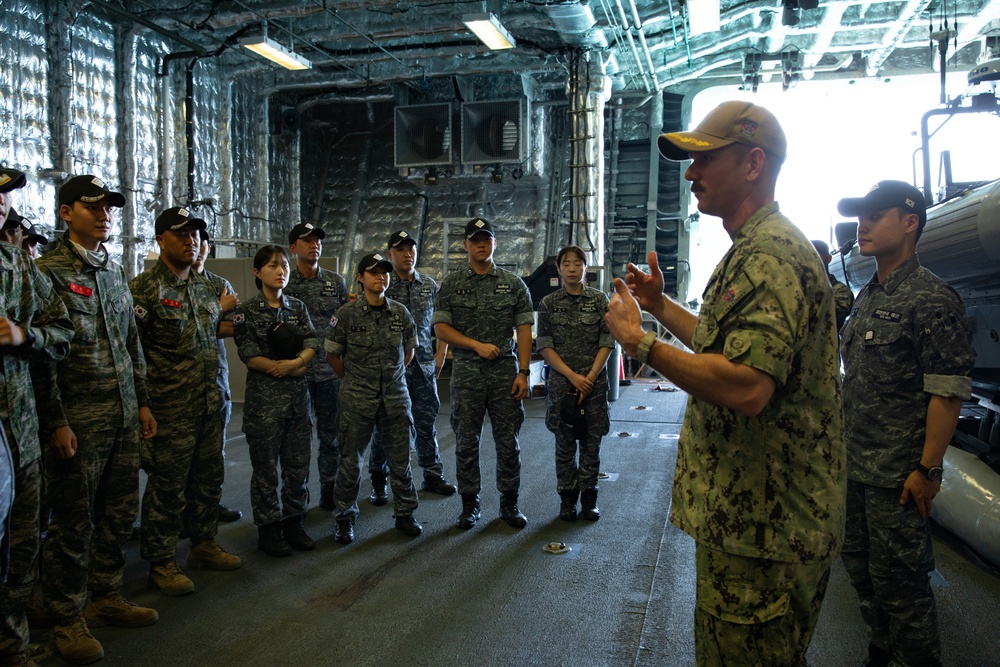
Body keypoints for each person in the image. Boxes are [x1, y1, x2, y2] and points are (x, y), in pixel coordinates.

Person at [604, 101, 846, 666]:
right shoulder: (761, 247)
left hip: (764, 532)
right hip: (760, 525)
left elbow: (745, 387)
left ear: (753, 164)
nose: (691, 173)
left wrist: (640, 343)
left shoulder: (768, 255)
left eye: (706, 159)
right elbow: (729, 347)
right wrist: (660, 306)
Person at [836, 180, 976, 667]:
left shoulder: (931, 298)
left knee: (904, 591)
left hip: (898, 478)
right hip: (856, 469)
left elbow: (947, 392)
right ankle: (880, 653)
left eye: (876, 215)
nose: (863, 225)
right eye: (861, 216)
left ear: (910, 222)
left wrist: (928, 469)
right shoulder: (867, 296)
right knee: (861, 574)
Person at [34, 175, 159, 664]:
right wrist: (55, 421)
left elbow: (130, 344)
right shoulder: (47, 272)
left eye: (109, 207)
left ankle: (106, 595)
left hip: (122, 414)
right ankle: (67, 617)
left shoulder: (113, 270)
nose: (105, 214)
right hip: (78, 421)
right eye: (93, 206)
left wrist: (142, 402)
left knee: (117, 512)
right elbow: (42, 359)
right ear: (66, 213)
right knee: (72, 522)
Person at [130, 207, 241, 597]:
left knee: (209, 479)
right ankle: (161, 562)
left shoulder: (209, 286)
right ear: (161, 240)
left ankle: (203, 544)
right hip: (169, 407)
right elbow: (132, 352)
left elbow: (225, 328)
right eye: (181, 234)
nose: (191, 240)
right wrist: (142, 405)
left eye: (195, 234)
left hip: (210, 402)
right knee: (168, 487)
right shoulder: (144, 290)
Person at [0, 167, 76, 667]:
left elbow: (61, 329)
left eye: (3, 193)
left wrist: (26, 336)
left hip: (20, 436)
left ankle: (13, 646)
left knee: (21, 550)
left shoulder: (18, 266)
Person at [433, 218, 534, 530]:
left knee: (508, 442)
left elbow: (524, 329)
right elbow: (441, 329)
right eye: (475, 240)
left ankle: (509, 503)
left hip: (505, 372)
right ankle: (469, 504)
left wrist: (524, 373)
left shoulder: (513, 284)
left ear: (494, 243)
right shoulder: (451, 284)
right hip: (467, 374)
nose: (481, 244)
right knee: (466, 442)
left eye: (486, 239)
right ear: (465, 245)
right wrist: (475, 345)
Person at [325, 253, 421, 545]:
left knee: (401, 461)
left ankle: (405, 513)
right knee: (350, 463)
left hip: (395, 397)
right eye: (374, 272)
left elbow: (408, 351)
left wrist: (392, 377)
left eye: (385, 272)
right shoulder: (345, 315)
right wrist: (356, 381)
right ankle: (344, 518)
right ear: (360, 278)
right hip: (357, 399)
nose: (381, 277)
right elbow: (333, 356)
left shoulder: (400, 313)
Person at [234, 245, 319, 557]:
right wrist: (282, 367)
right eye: (272, 266)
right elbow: (248, 353)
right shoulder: (246, 311)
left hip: (297, 402)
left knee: (297, 468)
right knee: (266, 470)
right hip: (264, 405)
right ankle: (269, 529)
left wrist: (295, 363)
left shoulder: (297, 306)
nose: (281, 270)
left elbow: (312, 341)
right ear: (258, 272)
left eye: (284, 265)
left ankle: (294, 522)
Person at [367, 230, 455, 505]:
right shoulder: (383, 285)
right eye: (400, 250)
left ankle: (432, 474)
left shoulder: (429, 285)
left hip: (424, 365)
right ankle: (378, 480)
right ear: (390, 254)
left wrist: (441, 354)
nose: (407, 254)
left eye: (411, 249)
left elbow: (441, 320)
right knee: (386, 425)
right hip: (391, 368)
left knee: (426, 421)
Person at [536, 245, 613, 522]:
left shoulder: (600, 300)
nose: (572, 268)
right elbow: (545, 346)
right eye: (566, 263)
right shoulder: (548, 304)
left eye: (577, 263)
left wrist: (589, 377)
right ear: (558, 269)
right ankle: (567, 500)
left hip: (594, 386)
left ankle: (589, 499)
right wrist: (573, 376)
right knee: (564, 445)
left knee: (591, 444)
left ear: (585, 267)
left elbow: (607, 342)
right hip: (562, 385)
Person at [284, 222, 349, 511]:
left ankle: (329, 488)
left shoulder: (335, 282)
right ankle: (296, 497)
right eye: (307, 241)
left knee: (331, 436)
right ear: (293, 248)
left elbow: (346, 325)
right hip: (296, 373)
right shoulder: (286, 283)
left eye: (317, 241)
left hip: (329, 372)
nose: (314, 245)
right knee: (297, 439)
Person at [192, 230, 242, 523]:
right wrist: (217, 311)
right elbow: (170, 330)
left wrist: (197, 322)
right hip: (175, 385)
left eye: (203, 242)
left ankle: (211, 504)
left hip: (215, 381)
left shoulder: (219, 285)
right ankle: (183, 512)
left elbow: (233, 327)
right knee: (179, 456)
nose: (197, 247)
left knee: (213, 452)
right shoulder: (171, 285)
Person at [811, 239, 855, 330]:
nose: (811, 261)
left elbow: (832, 314)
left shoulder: (840, 290)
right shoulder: (803, 288)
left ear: (829, 259)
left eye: (817, 256)